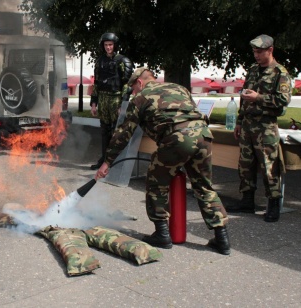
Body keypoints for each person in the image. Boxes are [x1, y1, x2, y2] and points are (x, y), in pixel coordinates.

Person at [95, 67, 230, 255]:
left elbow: (124, 133)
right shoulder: (179, 88)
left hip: (177, 138)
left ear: (140, 83)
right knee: (204, 186)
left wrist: (107, 162)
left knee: (156, 182)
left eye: (133, 88)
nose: (133, 92)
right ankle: (222, 239)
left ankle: (162, 233)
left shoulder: (140, 98)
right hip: (203, 136)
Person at [227, 34, 292, 222]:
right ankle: (247, 201)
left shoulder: (280, 72)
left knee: (269, 166)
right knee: (245, 164)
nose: (256, 55)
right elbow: (244, 96)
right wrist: (239, 121)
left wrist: (258, 98)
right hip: (248, 124)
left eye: (260, 52)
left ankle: (273, 204)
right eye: (254, 52)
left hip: (266, 127)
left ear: (270, 50)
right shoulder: (253, 70)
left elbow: (283, 100)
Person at [89, 33, 133, 170]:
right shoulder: (100, 61)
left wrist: (122, 105)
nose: (108, 47)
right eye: (106, 45)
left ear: (115, 46)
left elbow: (128, 85)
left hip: (116, 98)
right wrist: (94, 104)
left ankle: (115, 161)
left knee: (116, 131)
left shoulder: (123, 61)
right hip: (103, 98)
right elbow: (96, 84)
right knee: (104, 131)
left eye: (110, 45)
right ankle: (104, 160)